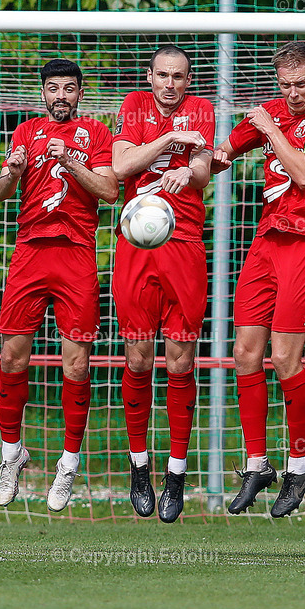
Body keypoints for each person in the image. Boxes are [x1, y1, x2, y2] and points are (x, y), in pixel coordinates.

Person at [212, 41, 305, 518]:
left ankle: (299, 462)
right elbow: (223, 149)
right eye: (285, 86)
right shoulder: (269, 110)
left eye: (301, 84)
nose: (292, 94)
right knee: (244, 352)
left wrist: (269, 130)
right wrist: (198, 164)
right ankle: (257, 463)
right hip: (268, 238)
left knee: (285, 356)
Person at [0, 58, 117, 512]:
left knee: (77, 363)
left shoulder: (97, 134)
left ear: (79, 93)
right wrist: (14, 169)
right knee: (11, 355)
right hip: (30, 251)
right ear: (42, 92)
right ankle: (12, 455)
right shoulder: (25, 132)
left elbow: (108, 192)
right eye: (52, 88)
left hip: (77, 254)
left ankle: (68, 463)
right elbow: (2, 191)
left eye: (68, 88)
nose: (60, 95)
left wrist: (69, 161)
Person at [111, 45, 214, 523]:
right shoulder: (132, 106)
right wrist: (170, 141)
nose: (170, 84)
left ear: (188, 80)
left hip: (185, 244)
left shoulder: (203, 109)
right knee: (137, 358)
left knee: (180, 360)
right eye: (162, 75)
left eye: (178, 77)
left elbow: (202, 171)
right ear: (149, 77)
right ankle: (139, 466)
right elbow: (121, 167)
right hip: (136, 243)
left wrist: (184, 166)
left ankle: (175, 472)